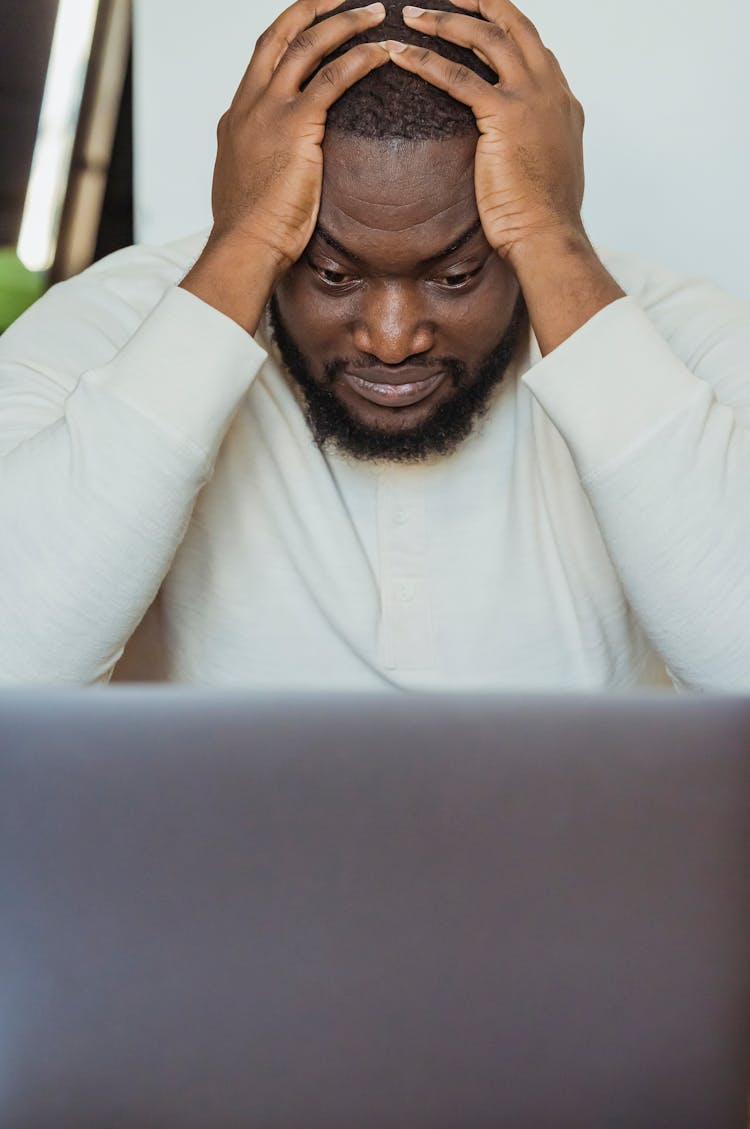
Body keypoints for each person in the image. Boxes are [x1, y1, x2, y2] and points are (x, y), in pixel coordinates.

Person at [1, 0, 748, 690]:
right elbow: (17, 668)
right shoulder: (117, 323)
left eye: (456, 274)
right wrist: (243, 245)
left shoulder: (673, 333)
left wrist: (555, 244)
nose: (393, 339)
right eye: (331, 271)